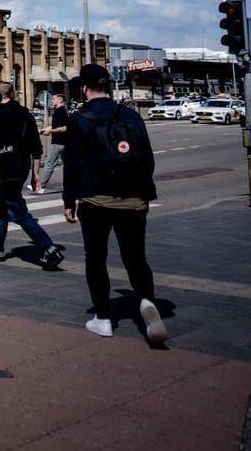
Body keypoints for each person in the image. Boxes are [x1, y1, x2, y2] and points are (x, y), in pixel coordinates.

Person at [64, 63, 165, 344]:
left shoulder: (79, 118)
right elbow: (148, 158)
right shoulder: (131, 116)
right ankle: (146, 302)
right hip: (134, 200)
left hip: (95, 199)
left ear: (84, 87)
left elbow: (72, 165)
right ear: (108, 85)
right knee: (135, 258)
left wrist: (68, 200)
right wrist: (143, 194)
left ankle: (104, 319)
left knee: (95, 258)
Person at [0, 82, 65, 269]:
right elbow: (36, 147)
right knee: (0, 208)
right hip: (22, 168)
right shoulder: (26, 114)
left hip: (5, 168)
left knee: (19, 212)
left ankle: (50, 249)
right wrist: (35, 175)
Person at [38, 93, 70, 191]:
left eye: (53, 99)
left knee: (49, 164)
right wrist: (44, 130)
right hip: (63, 142)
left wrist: (50, 131)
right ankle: (73, 185)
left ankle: (40, 186)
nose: (51, 101)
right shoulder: (59, 112)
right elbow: (57, 126)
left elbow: (64, 128)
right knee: (68, 165)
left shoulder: (61, 112)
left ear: (60, 101)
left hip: (58, 142)